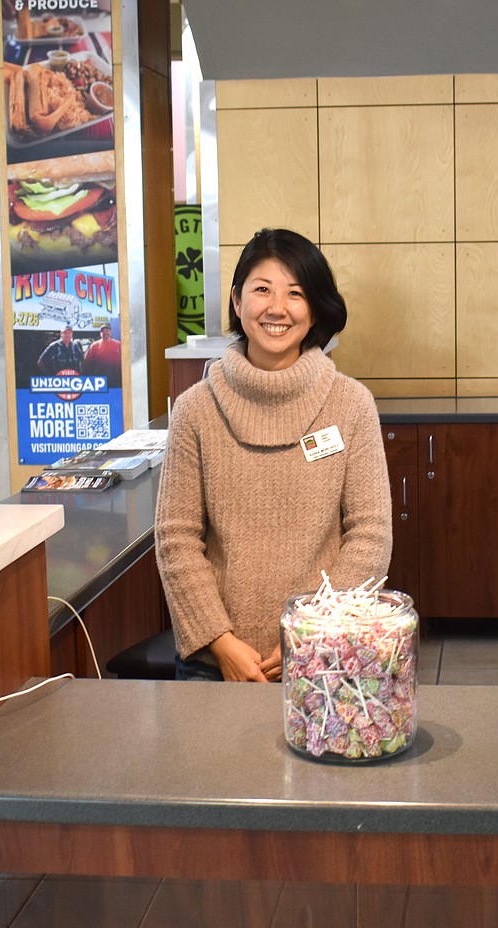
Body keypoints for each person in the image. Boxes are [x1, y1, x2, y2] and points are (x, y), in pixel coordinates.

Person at [154, 228, 392, 682]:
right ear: (237, 300)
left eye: (295, 293)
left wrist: (314, 633)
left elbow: (370, 534)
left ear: (315, 308)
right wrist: (221, 643)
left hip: (327, 656)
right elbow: (176, 539)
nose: (277, 308)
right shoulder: (195, 410)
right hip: (215, 664)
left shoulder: (351, 404)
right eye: (262, 289)